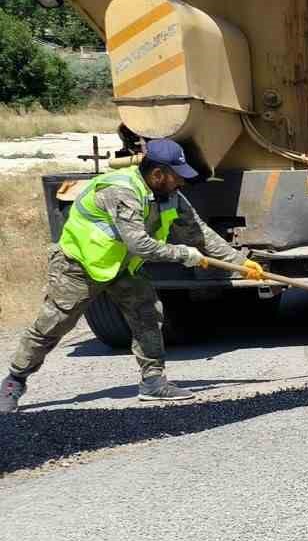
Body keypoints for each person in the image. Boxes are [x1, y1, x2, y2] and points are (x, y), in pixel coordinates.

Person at [1, 138, 266, 412]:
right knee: (53, 324)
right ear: (158, 174)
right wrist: (186, 255)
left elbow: (199, 233)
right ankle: (13, 382)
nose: (182, 183)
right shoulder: (122, 191)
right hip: (79, 265)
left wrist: (241, 262)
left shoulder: (170, 194)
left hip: (123, 268)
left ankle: (153, 382)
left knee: (148, 313)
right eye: (177, 177)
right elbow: (139, 244)